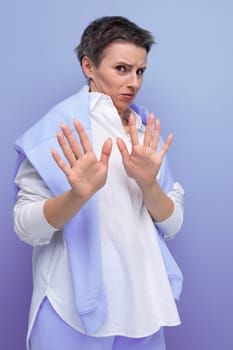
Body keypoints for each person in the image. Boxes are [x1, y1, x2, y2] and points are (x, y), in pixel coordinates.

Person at [13, 16, 184, 350]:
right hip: (69, 310)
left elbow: (173, 224)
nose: (133, 82)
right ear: (88, 66)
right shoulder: (58, 131)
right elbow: (25, 228)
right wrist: (77, 196)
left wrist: (150, 186)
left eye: (140, 71)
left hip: (143, 309)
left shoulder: (145, 132)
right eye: (121, 69)